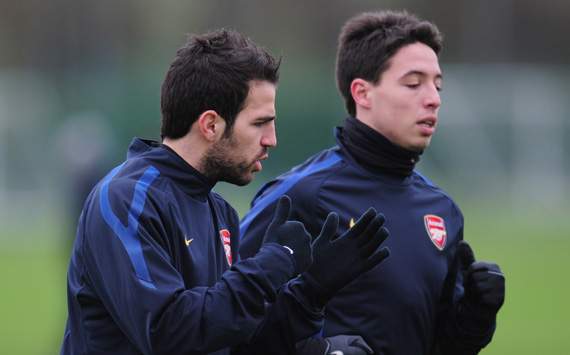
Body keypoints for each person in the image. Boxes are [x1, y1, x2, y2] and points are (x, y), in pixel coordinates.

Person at [60, 29, 391, 355]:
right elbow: (168, 332)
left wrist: (313, 290)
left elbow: (231, 339)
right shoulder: (127, 200)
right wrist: (274, 261)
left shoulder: (218, 209)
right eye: (260, 123)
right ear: (210, 125)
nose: (271, 139)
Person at [239, 10, 505, 355]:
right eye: (413, 83)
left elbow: (443, 345)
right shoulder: (302, 194)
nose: (433, 98)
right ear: (362, 93)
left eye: (437, 85)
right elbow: (231, 320)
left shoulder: (442, 210)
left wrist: (475, 317)